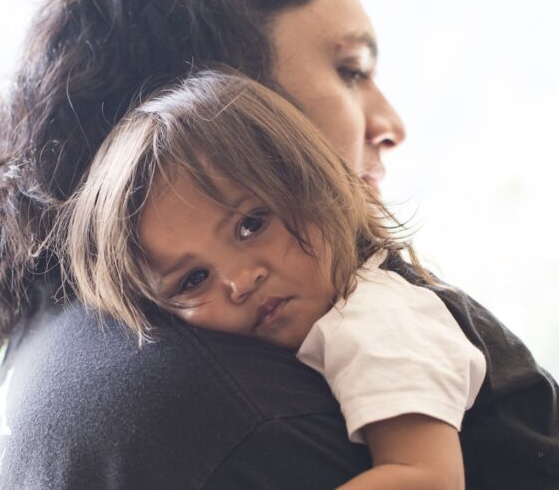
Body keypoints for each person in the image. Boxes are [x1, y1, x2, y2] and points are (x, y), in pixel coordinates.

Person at [0, 0, 559, 488]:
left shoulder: (63, 343)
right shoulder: (236, 409)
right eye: (349, 69)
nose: (391, 126)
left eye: (251, 227)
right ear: (222, 101)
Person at [59, 70, 489, 489]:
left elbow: (429, 478)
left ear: (317, 185)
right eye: (194, 279)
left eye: (252, 224)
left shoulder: (376, 319)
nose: (241, 281)